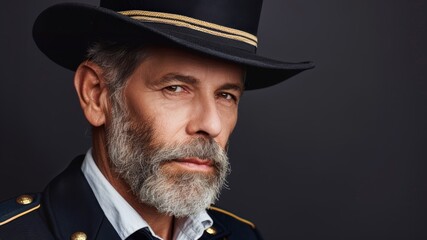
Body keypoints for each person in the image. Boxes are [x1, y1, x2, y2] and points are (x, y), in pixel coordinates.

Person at [0, 0, 313, 239]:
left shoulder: (244, 236)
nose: (212, 125)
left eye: (226, 96)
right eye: (175, 88)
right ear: (96, 94)